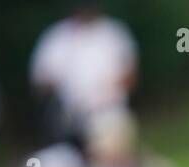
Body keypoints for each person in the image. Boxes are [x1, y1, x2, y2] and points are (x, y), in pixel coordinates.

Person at [29, 4, 137, 148]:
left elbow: (130, 75)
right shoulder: (56, 38)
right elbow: (39, 82)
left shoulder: (113, 33)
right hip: (68, 116)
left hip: (107, 112)